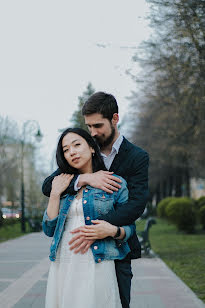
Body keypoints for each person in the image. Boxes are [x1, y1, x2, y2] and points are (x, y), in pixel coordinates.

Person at [42, 92, 149, 308]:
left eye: (97, 126)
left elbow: (135, 205)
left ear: (115, 119)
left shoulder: (136, 157)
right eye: (89, 127)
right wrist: (85, 177)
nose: (93, 132)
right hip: (71, 257)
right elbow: (49, 186)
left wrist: (100, 229)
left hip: (115, 249)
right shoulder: (81, 152)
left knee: (115, 301)